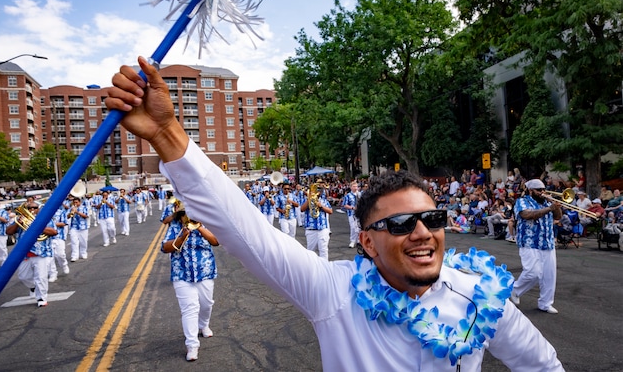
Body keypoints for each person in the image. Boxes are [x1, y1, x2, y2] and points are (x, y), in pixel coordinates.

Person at [106, 58, 564, 370]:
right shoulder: (333, 292)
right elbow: (245, 228)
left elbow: (542, 364)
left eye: (434, 218)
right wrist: (167, 132)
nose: (423, 233)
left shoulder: (480, 295)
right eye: (401, 224)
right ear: (366, 241)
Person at [161, 200, 219, 362]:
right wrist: (182, 236)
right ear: (180, 215)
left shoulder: (204, 223)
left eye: (191, 214)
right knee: (189, 309)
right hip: (182, 273)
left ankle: (204, 324)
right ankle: (192, 344)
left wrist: (199, 227)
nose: (188, 217)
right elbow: (165, 247)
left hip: (205, 271)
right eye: (185, 214)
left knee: (207, 304)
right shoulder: (174, 227)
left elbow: (216, 241)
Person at [511, 179, 562, 314]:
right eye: (539, 190)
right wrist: (549, 208)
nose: (542, 192)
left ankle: (545, 303)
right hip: (529, 242)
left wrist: (555, 206)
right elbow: (527, 215)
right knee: (533, 273)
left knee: (549, 275)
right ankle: (515, 290)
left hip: (547, 243)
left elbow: (558, 217)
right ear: (531, 190)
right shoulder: (522, 201)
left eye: (543, 189)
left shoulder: (547, 202)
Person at [6, 203, 58, 307]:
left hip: (41, 253)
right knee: (23, 277)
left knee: (41, 277)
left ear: (38, 209)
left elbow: (54, 232)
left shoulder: (45, 219)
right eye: (29, 208)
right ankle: (33, 287)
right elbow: (8, 231)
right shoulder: (19, 219)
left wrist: (37, 226)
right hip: (24, 253)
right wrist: (17, 224)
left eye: (35, 208)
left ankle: (42, 298)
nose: (32, 209)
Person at [300, 183, 333, 260]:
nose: (316, 191)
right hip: (311, 229)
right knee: (311, 252)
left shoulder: (323, 200)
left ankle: (324, 269)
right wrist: (310, 199)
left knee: (323, 251)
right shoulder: (307, 200)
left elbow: (330, 211)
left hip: (322, 229)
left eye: (318, 190)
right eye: (314, 190)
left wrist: (321, 206)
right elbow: (302, 209)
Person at [48, 202, 70, 282]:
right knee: (50, 257)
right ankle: (53, 273)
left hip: (59, 236)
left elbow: (64, 223)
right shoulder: (45, 213)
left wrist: (51, 224)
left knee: (60, 255)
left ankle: (64, 265)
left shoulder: (61, 212)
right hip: (48, 238)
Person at [68, 196, 90, 262]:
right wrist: (71, 212)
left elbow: (86, 216)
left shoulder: (84, 208)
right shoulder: (71, 208)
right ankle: (74, 256)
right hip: (73, 227)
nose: (75, 204)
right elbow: (67, 217)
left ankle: (83, 253)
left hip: (83, 227)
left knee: (83, 241)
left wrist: (77, 212)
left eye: (76, 202)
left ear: (79, 202)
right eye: (74, 202)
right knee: (74, 242)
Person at [341, 182, 361, 248]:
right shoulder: (348, 195)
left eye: (356, 186)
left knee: (359, 227)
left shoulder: (359, 194)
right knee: (353, 227)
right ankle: (352, 241)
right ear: (351, 187)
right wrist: (352, 208)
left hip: (359, 213)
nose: (355, 188)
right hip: (351, 213)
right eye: (354, 186)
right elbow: (345, 205)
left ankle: (359, 240)